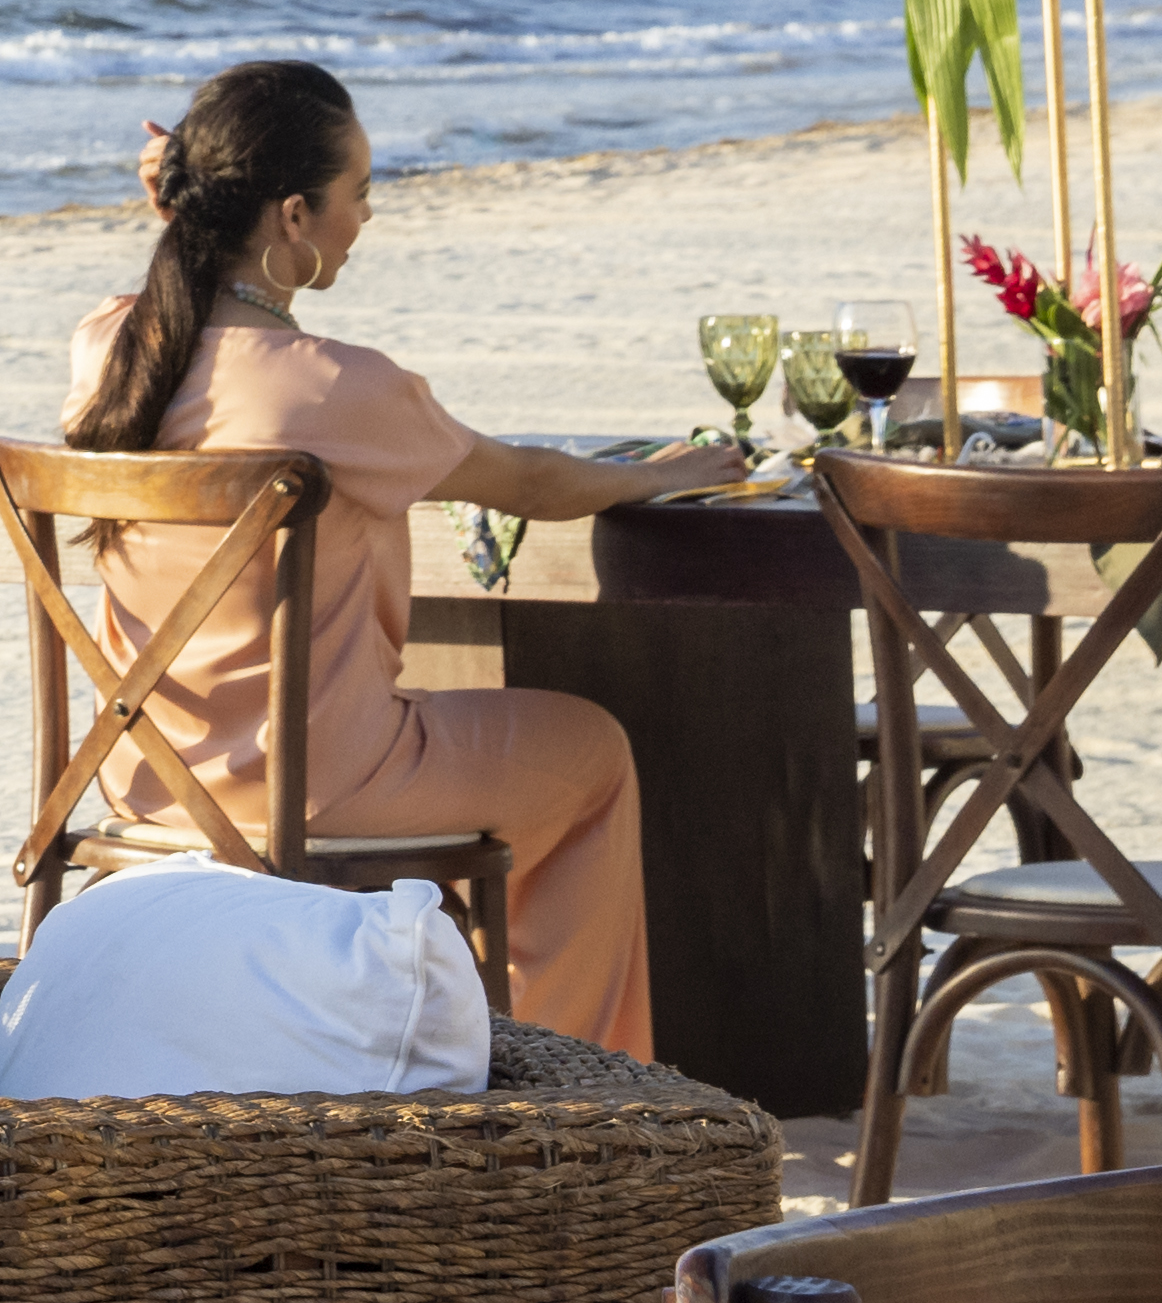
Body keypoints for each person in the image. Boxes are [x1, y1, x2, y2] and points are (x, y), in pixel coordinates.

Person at [47, 59, 690, 1059]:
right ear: (293, 217)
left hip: (146, 783)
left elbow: (174, 285)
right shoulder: (336, 388)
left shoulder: (107, 349)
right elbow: (529, 484)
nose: (367, 216)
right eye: (359, 192)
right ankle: (575, 1076)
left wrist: (179, 208)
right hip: (325, 788)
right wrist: (658, 475)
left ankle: (447, 1033)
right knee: (592, 752)